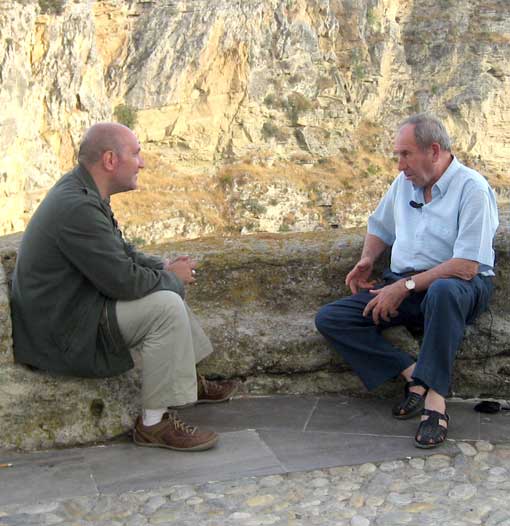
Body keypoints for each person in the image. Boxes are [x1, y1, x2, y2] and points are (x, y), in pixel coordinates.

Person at [10, 122, 238, 452]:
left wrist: (161, 267)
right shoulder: (78, 207)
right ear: (110, 160)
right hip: (62, 333)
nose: (142, 163)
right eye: (136, 153)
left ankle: (186, 380)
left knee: (163, 289)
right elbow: (125, 282)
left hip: (74, 311)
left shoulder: (84, 191)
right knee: (165, 304)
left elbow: (121, 252)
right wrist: (172, 278)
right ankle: (153, 425)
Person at [315, 113, 498, 449]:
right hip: (406, 284)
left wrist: (404, 287)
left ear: (434, 150)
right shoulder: (404, 185)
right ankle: (415, 375)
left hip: (459, 287)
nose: (399, 165)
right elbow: (380, 227)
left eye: (405, 154)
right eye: (397, 155)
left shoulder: (472, 189)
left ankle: (435, 403)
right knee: (332, 318)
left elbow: (466, 265)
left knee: (442, 292)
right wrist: (367, 259)